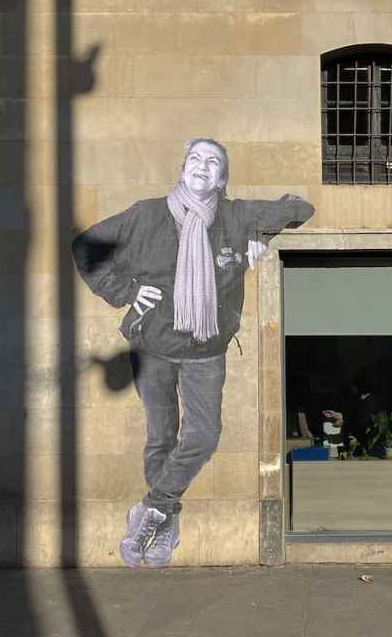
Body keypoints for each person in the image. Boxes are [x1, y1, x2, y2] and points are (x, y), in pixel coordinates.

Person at [73, 138, 314, 568]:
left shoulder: (236, 217)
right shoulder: (145, 215)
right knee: (161, 437)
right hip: (152, 346)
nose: (202, 165)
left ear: (221, 179)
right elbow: (87, 246)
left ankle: (152, 508)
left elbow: (301, 209)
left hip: (206, 348)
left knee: (203, 436)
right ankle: (164, 526)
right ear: (183, 168)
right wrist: (125, 290)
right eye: (195, 158)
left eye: (213, 161)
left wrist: (265, 232)